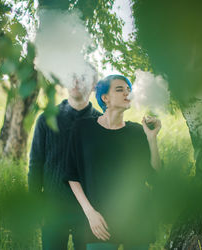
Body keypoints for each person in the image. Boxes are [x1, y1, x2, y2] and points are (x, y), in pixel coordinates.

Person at [64, 75, 162, 250]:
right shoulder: (82, 128)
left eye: (128, 90)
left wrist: (151, 139)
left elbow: (153, 173)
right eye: (120, 89)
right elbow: (72, 175)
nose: (127, 94)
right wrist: (90, 213)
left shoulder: (137, 132)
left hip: (136, 219)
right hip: (100, 221)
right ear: (105, 98)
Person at [28, 72, 101, 250]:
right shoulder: (46, 118)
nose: (76, 81)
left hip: (88, 212)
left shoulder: (101, 123)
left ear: (94, 86)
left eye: (83, 77)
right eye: (72, 76)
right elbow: (35, 164)